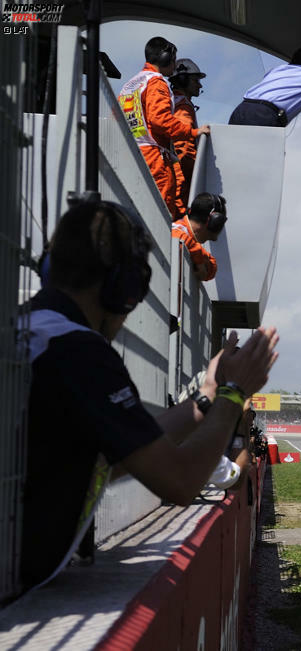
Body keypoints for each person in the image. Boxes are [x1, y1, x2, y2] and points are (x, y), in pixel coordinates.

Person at [18, 199, 278, 597]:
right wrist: (234, 393)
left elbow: (127, 448)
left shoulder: (32, 328)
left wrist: (207, 395)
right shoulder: (78, 352)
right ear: (122, 290)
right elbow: (178, 480)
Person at [118, 37, 211, 222]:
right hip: (154, 159)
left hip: (130, 156)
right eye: (173, 58)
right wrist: (192, 132)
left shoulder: (131, 84)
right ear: (166, 57)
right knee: (159, 218)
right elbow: (160, 120)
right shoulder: (156, 82)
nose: (174, 63)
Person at [169, 58, 206, 208]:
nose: (200, 84)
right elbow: (182, 146)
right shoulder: (183, 105)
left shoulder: (173, 101)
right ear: (183, 80)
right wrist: (196, 174)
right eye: (195, 80)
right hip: (182, 173)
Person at [171, 192, 226, 281]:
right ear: (215, 222)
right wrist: (199, 259)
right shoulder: (177, 229)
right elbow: (175, 236)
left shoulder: (191, 241)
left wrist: (200, 257)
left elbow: (211, 269)